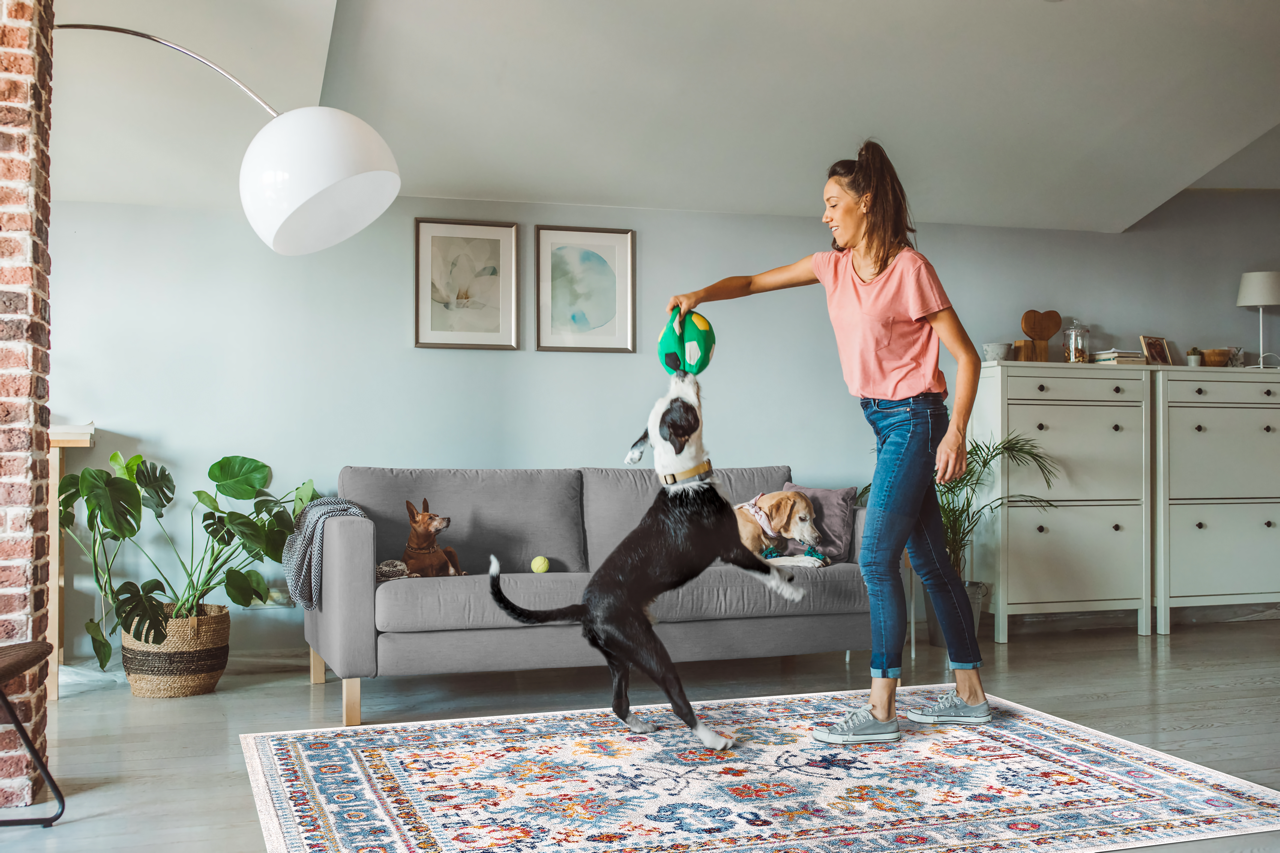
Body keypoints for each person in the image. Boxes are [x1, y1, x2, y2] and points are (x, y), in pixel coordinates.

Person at [666, 140, 988, 745]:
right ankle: (970, 696)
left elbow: (966, 358)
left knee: (874, 559)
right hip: (886, 422)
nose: (825, 214)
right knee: (931, 562)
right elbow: (756, 281)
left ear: (865, 203)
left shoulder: (909, 270)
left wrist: (958, 433)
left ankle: (881, 711)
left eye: (834, 203)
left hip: (918, 419)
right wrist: (700, 295)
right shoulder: (831, 267)